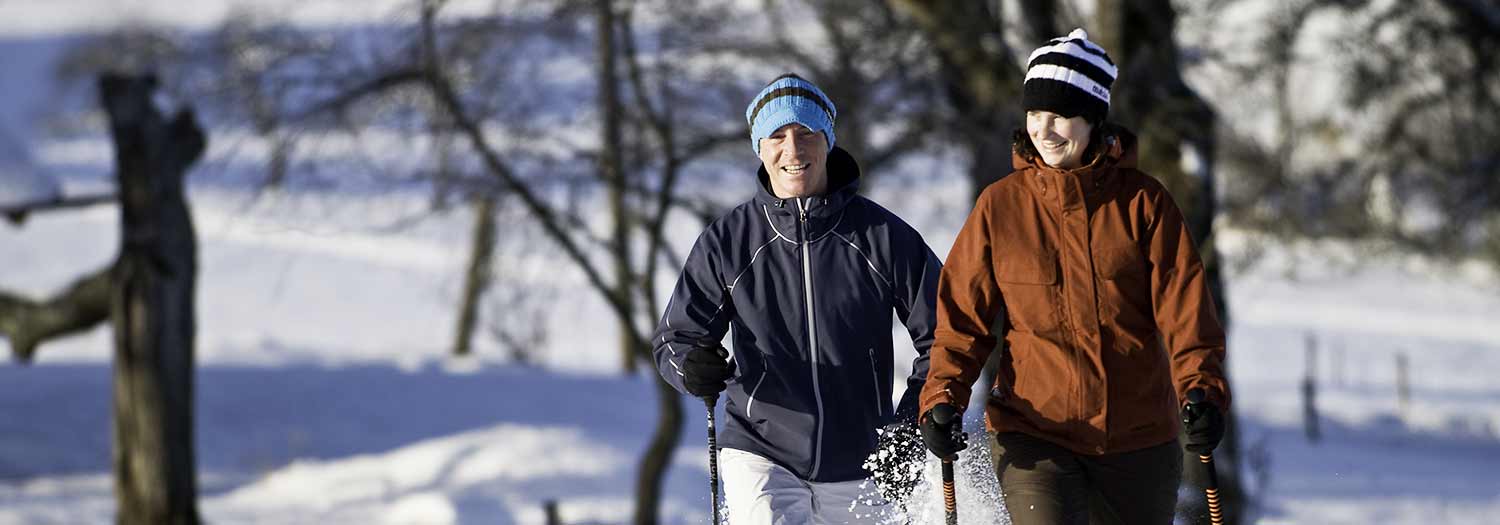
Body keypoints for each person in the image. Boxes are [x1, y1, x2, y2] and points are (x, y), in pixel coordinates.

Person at [917, 29, 1230, 524]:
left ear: (1093, 120)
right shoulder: (1000, 207)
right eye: (1035, 115)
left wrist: (1202, 390)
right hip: (1034, 433)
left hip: (1138, 439)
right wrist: (943, 397)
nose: (1045, 130)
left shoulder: (1143, 204)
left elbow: (1186, 311)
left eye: (1060, 116)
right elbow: (962, 319)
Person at [653, 73, 942, 523]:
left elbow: (947, 335)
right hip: (761, 448)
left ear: (827, 140)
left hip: (865, 458)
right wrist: (691, 368)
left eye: (806, 133)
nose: (793, 149)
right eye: (778, 136)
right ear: (759, 147)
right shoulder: (728, 242)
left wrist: (912, 422)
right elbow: (675, 340)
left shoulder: (882, 237)